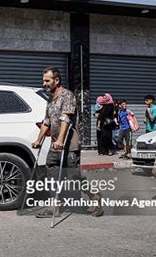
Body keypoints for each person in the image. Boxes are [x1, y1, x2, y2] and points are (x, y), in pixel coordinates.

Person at [32, 67, 103, 218]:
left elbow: (66, 119)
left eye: (47, 80)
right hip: (55, 145)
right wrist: (38, 140)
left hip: (69, 145)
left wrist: (60, 140)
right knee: (51, 175)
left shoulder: (68, 95)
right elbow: (47, 121)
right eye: (43, 80)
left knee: (73, 176)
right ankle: (54, 208)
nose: (44, 83)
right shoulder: (51, 99)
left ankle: (95, 196)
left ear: (56, 80)